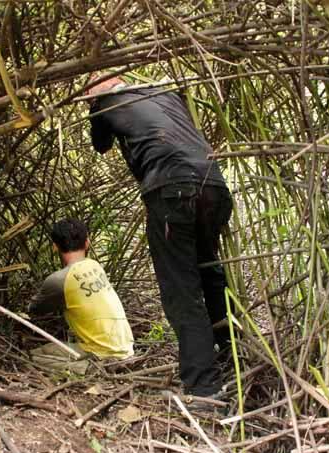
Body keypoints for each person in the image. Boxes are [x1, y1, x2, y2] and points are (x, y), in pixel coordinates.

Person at [86, 75, 233, 398]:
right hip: (215, 186)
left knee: (182, 290)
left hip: (171, 189)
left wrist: (95, 105)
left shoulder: (106, 103)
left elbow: (100, 145)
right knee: (210, 271)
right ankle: (231, 355)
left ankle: (204, 390)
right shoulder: (164, 94)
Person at [28, 219, 134, 370]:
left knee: (34, 356)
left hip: (101, 352)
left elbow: (34, 309)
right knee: (54, 349)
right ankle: (107, 361)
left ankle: (87, 369)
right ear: (87, 243)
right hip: (126, 348)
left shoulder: (58, 280)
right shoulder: (95, 265)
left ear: (54, 247)